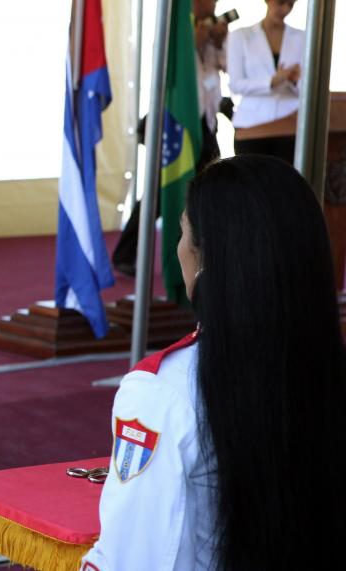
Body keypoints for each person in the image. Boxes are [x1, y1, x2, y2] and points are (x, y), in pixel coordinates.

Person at [80, 155, 346, 570]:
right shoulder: (327, 366)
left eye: (183, 232)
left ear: (208, 259)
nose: (178, 247)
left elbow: (135, 558)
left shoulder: (162, 392)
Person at [111, 0, 226, 276]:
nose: (210, 5)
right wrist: (192, 42)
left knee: (211, 186)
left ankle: (201, 253)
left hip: (206, 119)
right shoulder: (175, 34)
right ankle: (126, 252)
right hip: (174, 123)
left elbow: (228, 66)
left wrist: (217, 42)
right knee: (159, 192)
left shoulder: (215, 32)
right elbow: (165, 73)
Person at [227, 0, 304, 164]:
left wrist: (295, 81)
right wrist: (272, 81)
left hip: (289, 124)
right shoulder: (240, 35)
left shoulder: (303, 37)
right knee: (251, 183)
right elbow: (235, 84)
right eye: (281, 2)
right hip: (251, 123)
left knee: (286, 183)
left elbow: (309, 85)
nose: (284, 9)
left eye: (290, 5)